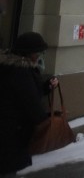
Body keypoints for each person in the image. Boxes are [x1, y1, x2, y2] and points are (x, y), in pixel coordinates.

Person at [0, 32, 59, 176]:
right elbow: (32, 105)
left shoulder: (8, 67)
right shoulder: (21, 72)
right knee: (7, 170)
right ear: (28, 53)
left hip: (7, 130)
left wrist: (47, 87)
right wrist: (48, 122)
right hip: (11, 133)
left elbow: (24, 93)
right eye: (38, 53)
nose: (39, 56)